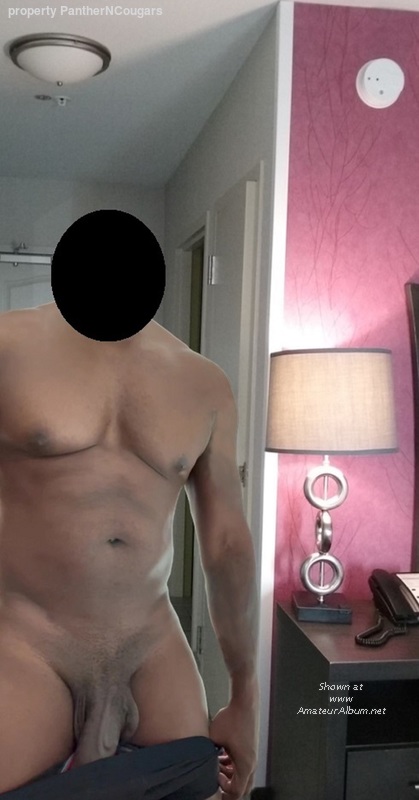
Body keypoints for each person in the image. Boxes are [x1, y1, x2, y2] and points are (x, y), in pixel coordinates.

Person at [0, 210, 259, 799]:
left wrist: (245, 696)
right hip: (30, 642)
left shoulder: (204, 382)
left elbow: (226, 546)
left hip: (150, 643)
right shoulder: (9, 346)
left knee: (195, 789)